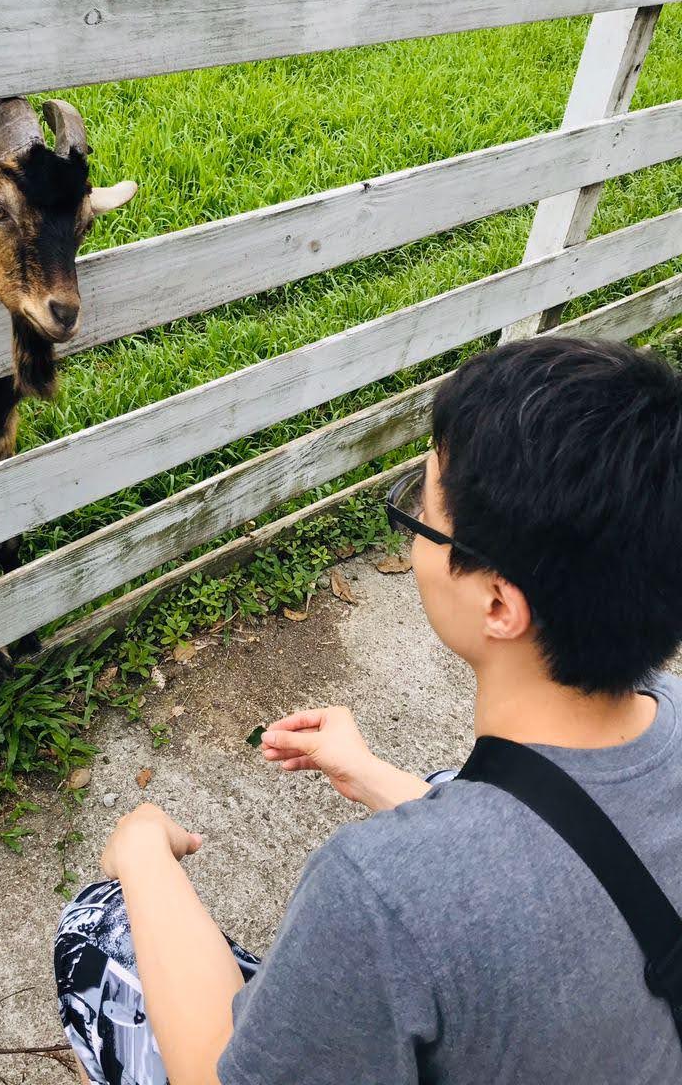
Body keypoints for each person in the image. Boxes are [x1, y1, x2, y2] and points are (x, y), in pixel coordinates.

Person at [53, 335, 682, 1085]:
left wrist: (143, 856)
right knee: (449, 780)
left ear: (497, 601)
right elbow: (560, 847)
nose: (413, 526)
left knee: (96, 931)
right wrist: (377, 776)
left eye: (422, 509)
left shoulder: (377, 893)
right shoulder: (666, 709)